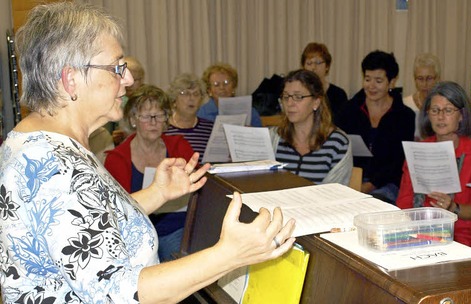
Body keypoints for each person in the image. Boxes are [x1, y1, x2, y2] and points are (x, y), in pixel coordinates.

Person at [0, 3, 295, 303]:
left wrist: (158, 193)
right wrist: (229, 255)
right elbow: (122, 294)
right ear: (71, 79)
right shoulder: (53, 166)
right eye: (117, 68)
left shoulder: (47, 144)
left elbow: (92, 224)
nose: (127, 79)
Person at [396, 81, 471, 251]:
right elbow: (404, 202)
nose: (440, 117)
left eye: (448, 110)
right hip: (417, 233)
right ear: (427, 115)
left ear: (461, 115)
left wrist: (453, 207)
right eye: (435, 110)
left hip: (461, 237)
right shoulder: (418, 150)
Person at [104, 84, 194, 262]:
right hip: (138, 232)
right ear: (133, 120)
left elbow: (198, 190)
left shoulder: (179, 146)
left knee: (179, 253)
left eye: (159, 115)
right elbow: (119, 210)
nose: (153, 122)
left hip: (177, 227)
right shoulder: (117, 159)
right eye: (146, 116)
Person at [336, 50, 415, 203]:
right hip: (351, 178)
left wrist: (369, 185)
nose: (371, 86)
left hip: (388, 184)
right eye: (367, 79)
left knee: (372, 204)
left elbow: (399, 161)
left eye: (378, 81)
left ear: (391, 82)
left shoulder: (404, 116)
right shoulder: (349, 110)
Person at [270, 69, 352, 185]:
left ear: (316, 102)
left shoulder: (338, 143)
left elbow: (335, 193)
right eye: (286, 96)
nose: (289, 103)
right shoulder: (274, 137)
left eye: (298, 97)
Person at [164, 73, 215, 164]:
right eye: (185, 94)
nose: (191, 98)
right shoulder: (163, 128)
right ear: (174, 100)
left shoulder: (211, 128)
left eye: (196, 94)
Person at [198, 63, 263, 127]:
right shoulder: (201, 113)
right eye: (216, 84)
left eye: (226, 83)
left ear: (233, 87)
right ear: (209, 90)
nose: (222, 87)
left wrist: (252, 132)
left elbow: (261, 136)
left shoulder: (250, 112)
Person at [300, 42, 349, 121]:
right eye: (309, 63)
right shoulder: (298, 94)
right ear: (303, 67)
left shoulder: (338, 95)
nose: (313, 67)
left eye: (318, 63)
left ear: (327, 66)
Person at [403, 53, 442, 140]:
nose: (424, 84)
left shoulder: (445, 106)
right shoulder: (405, 105)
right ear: (414, 79)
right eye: (420, 78)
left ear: (438, 78)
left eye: (429, 78)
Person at [112, 55, 146, 146]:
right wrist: (113, 137)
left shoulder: (149, 100)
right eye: (124, 78)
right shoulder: (113, 100)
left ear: (142, 80)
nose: (129, 84)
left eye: (134, 80)